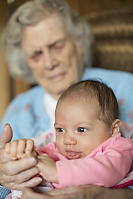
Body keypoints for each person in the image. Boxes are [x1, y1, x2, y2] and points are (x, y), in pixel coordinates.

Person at [0, 0, 133, 198]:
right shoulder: (18, 109)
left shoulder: (128, 87)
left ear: (77, 42)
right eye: (36, 54)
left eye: (56, 45)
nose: (49, 62)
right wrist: (4, 177)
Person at [3, 80, 133, 199]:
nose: (67, 140)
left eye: (81, 130)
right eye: (60, 130)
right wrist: (25, 156)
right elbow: (39, 158)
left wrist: (57, 172)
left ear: (114, 129)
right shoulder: (56, 149)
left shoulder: (120, 147)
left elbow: (106, 171)